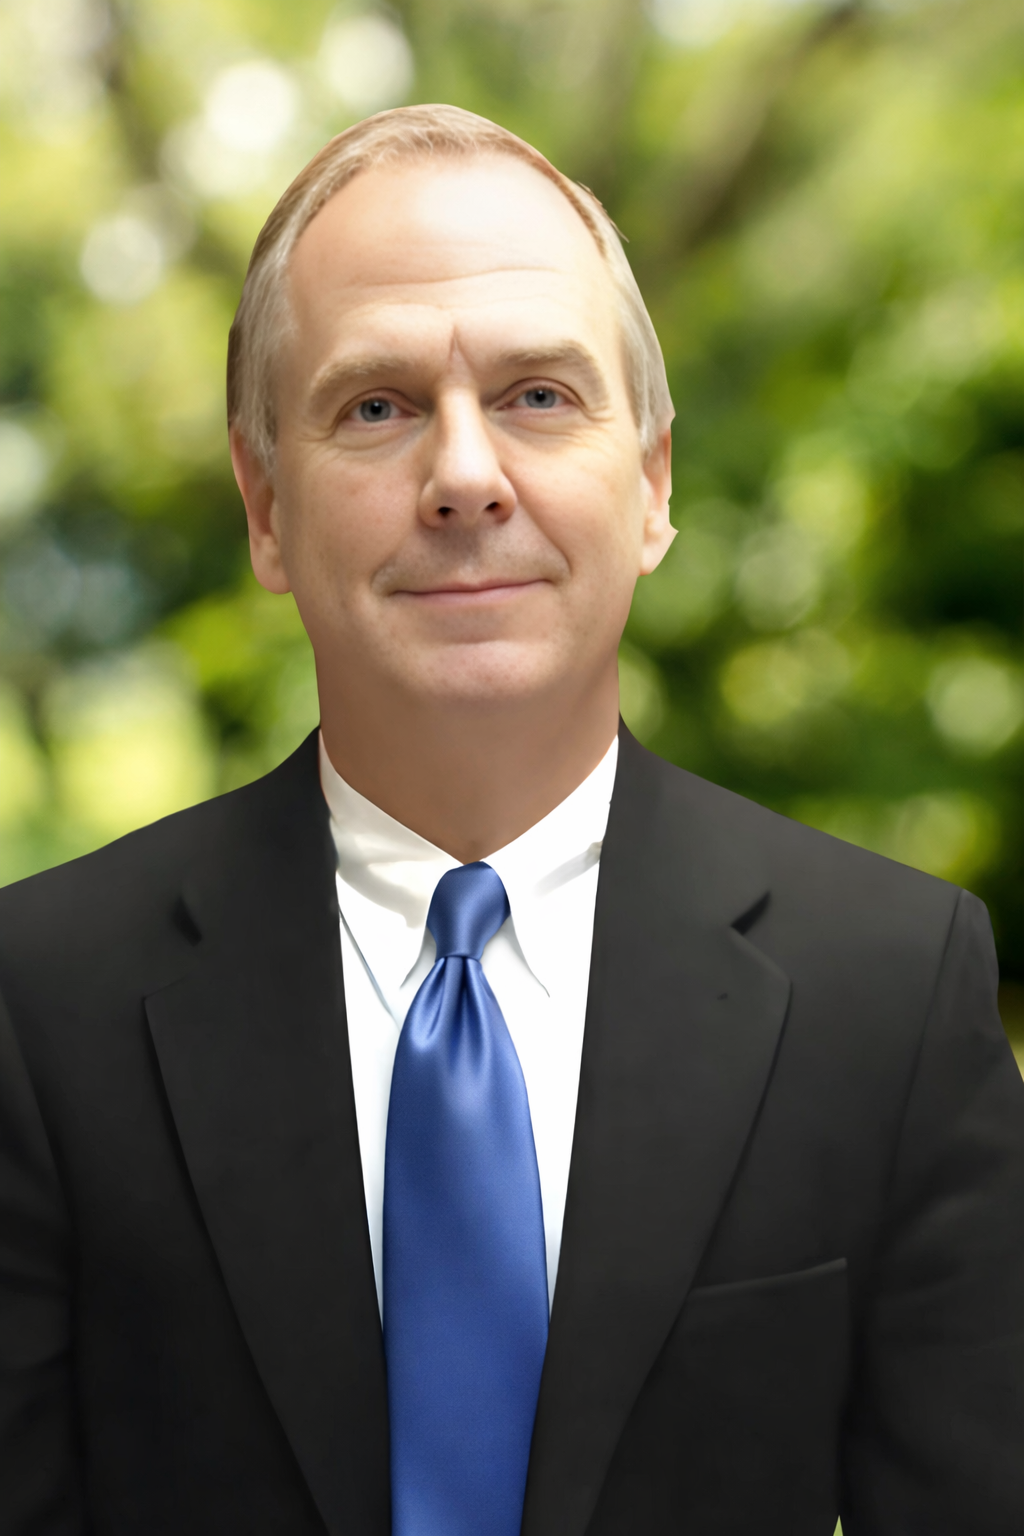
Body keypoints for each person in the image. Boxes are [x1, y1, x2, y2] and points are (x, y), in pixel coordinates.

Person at [0, 104, 1021, 1536]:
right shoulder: (40, 1006)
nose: (466, 476)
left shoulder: (894, 990)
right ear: (265, 506)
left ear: (652, 482)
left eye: (540, 395)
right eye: (378, 406)